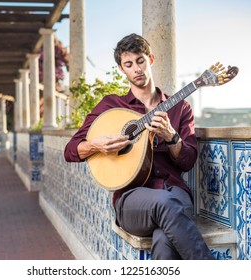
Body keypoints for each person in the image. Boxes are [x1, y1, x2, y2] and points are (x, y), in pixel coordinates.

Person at [64, 33, 215, 260]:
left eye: (141, 60)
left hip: (174, 191)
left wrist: (172, 137)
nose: (137, 69)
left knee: (165, 241)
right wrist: (96, 145)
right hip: (132, 200)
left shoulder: (180, 108)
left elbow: (188, 161)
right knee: (166, 204)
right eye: (129, 64)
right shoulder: (111, 106)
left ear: (151, 59)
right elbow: (70, 150)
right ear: (122, 69)